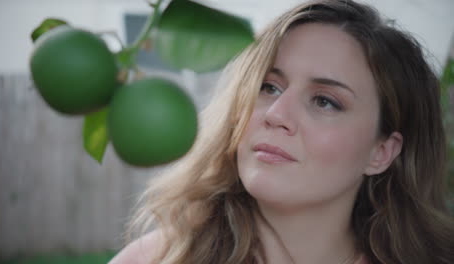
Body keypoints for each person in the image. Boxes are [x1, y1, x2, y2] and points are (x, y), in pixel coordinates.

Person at [109, 0, 454, 263]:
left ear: (381, 152)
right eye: (269, 87)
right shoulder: (159, 258)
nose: (276, 114)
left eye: (324, 101)